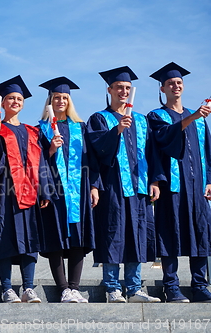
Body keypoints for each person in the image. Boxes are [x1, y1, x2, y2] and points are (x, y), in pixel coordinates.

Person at [87, 66, 162, 303]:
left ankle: (134, 287)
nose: (123, 91)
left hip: (139, 189)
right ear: (109, 89)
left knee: (137, 236)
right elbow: (95, 150)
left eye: (127, 88)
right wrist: (117, 130)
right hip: (112, 187)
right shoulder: (99, 118)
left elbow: (152, 154)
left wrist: (155, 181)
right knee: (113, 235)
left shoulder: (141, 120)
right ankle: (112, 288)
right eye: (119, 87)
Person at [147, 62, 211, 303]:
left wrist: (210, 180)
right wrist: (194, 116)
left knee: (201, 232)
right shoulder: (157, 116)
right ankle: (171, 286)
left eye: (179, 82)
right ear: (162, 89)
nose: (176, 85)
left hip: (197, 186)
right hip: (172, 186)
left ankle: (199, 285)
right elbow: (165, 138)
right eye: (171, 83)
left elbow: (207, 151)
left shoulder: (198, 117)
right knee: (170, 232)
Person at [0, 75, 52, 303]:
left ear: (23, 103)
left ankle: (28, 287)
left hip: (30, 193)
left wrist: (45, 190)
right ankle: (7, 288)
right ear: (2, 103)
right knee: (3, 236)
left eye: (19, 99)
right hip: (4, 193)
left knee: (30, 238)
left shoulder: (33, 132)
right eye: (10, 98)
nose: (15, 101)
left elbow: (41, 162)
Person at [37, 77, 99, 303]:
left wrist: (94, 186)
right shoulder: (40, 129)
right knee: (55, 236)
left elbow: (91, 159)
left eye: (64, 98)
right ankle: (63, 288)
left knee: (78, 238)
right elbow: (36, 162)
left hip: (79, 190)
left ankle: (75, 288)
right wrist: (51, 149)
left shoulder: (81, 127)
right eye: (56, 98)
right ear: (50, 101)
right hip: (53, 190)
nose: (61, 101)